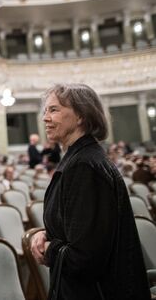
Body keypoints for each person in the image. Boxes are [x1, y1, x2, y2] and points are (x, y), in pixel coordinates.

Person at [30, 83, 149, 300]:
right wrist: (48, 233)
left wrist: (48, 248)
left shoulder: (84, 166)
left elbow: (84, 259)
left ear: (81, 117)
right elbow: (85, 228)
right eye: (45, 110)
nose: (45, 117)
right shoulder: (82, 158)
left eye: (54, 110)